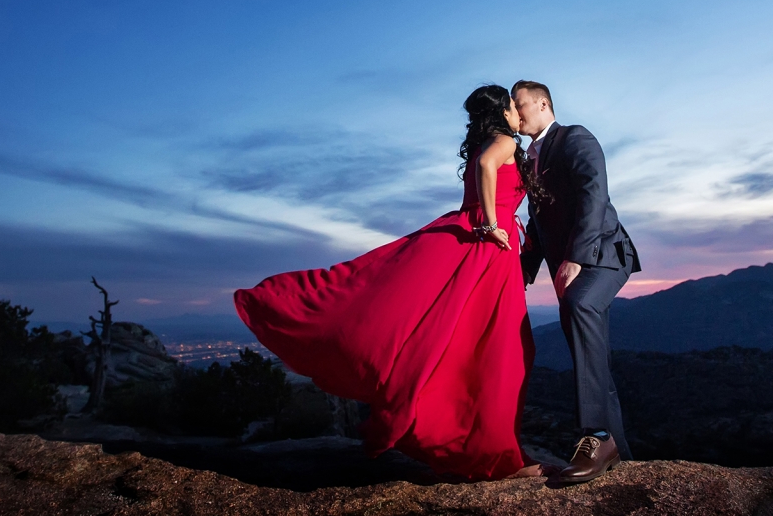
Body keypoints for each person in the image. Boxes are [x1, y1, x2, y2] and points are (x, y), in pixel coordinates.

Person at [233, 84, 544, 481]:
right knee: (494, 349)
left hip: (474, 240)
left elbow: (484, 168)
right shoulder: (501, 140)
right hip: (484, 246)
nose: (519, 114)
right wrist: (492, 223)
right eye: (513, 108)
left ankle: (491, 447)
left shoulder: (492, 139)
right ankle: (493, 452)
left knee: (452, 336)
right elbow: (486, 166)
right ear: (502, 112)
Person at [513, 79, 641, 484]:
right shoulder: (527, 158)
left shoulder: (574, 138)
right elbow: (538, 220)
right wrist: (522, 272)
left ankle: (597, 435)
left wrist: (575, 257)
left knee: (580, 305)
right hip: (571, 264)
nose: (515, 114)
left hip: (603, 255)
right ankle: (624, 459)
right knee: (592, 360)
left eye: (520, 106)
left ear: (543, 104)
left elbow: (594, 193)